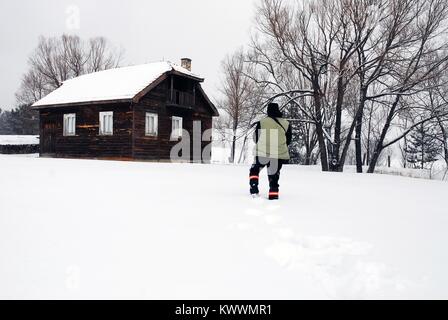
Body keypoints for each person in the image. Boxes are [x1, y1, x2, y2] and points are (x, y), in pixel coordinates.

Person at [249, 102, 292, 200]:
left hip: (262, 153)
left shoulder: (262, 122)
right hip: (278, 153)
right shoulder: (286, 123)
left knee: (254, 170)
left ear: (268, 111)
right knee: (274, 174)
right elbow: (288, 140)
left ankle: (254, 189)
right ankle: (273, 194)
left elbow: (256, 137)